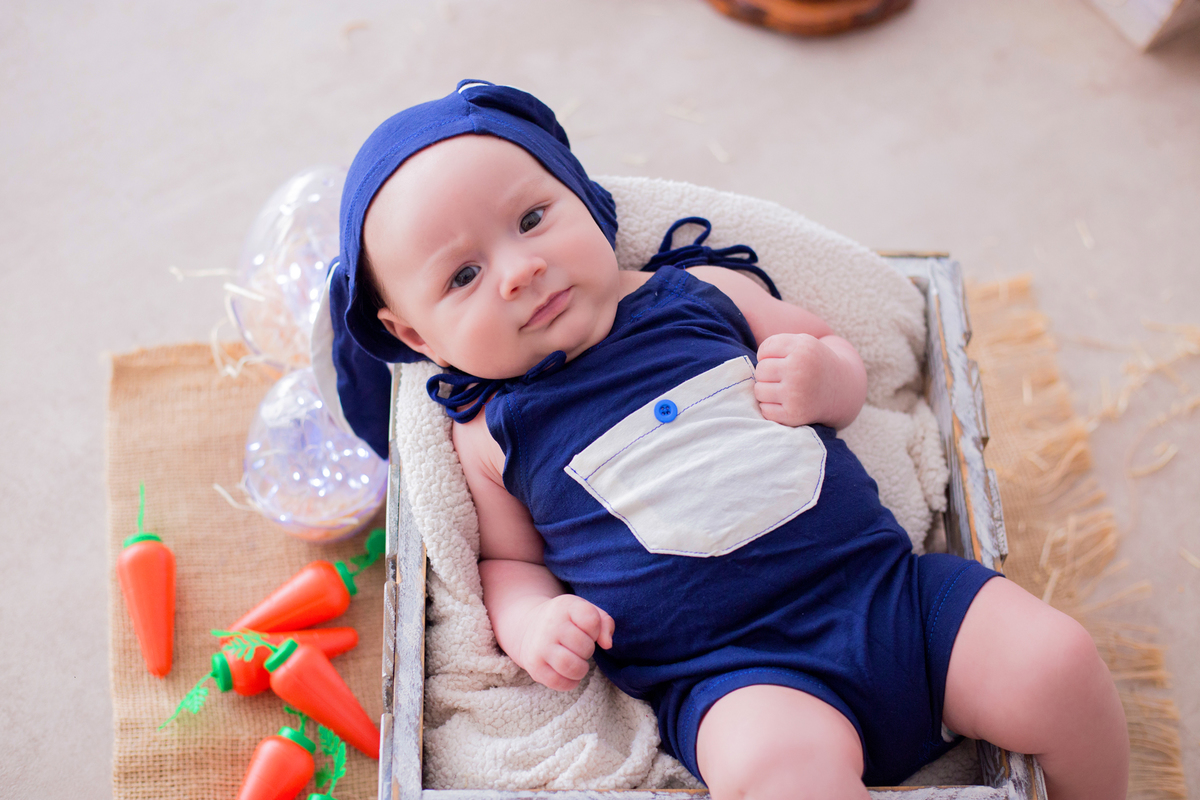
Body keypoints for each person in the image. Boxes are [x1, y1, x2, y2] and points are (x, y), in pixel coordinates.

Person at [326, 81, 1129, 799]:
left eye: (533, 218)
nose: (519, 271)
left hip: (890, 595)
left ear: (583, 196)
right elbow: (509, 563)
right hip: (740, 676)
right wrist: (536, 624)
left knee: (1055, 661)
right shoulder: (490, 432)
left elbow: (836, 356)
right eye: (462, 276)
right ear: (416, 336)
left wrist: (822, 380)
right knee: (785, 777)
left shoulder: (697, 292)